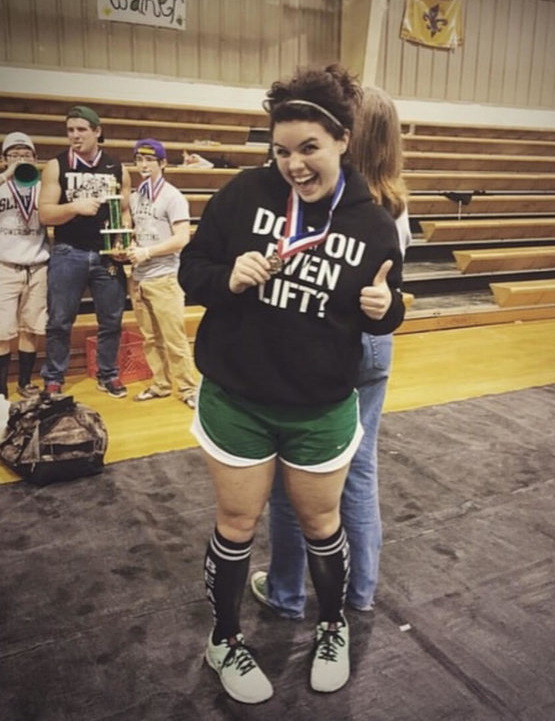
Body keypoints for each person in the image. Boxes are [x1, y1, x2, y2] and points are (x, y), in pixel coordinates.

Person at [178, 65, 405, 704]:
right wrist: (227, 276)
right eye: (281, 150)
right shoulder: (243, 194)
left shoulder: (370, 221)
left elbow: (390, 310)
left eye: (308, 148)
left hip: (319, 405)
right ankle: (224, 639)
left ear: (341, 140)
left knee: (321, 521)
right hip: (238, 397)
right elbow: (191, 272)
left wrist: (383, 308)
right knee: (237, 523)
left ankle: (331, 625)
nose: (294, 165)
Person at [249, 86, 412, 619]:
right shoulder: (393, 200)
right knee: (359, 470)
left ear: (347, 137)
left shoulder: (336, 204)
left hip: (330, 339)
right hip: (375, 344)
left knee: (295, 468)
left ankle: (287, 591)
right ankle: (360, 590)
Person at [38, 105, 131, 397]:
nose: (75, 136)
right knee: (59, 320)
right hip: (69, 251)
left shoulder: (117, 167)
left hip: (106, 255)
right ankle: (54, 377)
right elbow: (45, 214)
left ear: (97, 131)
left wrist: (122, 242)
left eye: (81, 130)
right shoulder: (57, 165)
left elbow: (125, 212)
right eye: (70, 130)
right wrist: (74, 207)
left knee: (112, 319)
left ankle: (108, 373)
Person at [126, 138, 198, 408]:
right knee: (149, 337)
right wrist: (132, 247)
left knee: (174, 338)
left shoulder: (173, 197)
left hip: (166, 277)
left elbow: (181, 239)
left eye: (149, 160)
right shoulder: (135, 196)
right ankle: (161, 384)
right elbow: (135, 231)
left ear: (163, 163)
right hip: (139, 277)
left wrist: (148, 252)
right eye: (139, 160)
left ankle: (189, 388)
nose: (143, 165)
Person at [0, 132, 49, 399]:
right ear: (4, 158)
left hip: (37, 265)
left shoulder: (43, 187)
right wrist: (7, 175)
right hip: (5, 265)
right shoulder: (1, 185)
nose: (20, 159)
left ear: (35, 158)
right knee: (1, 332)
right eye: (14, 154)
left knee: (31, 327)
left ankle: (25, 382)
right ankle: (0, 390)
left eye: (25, 154)